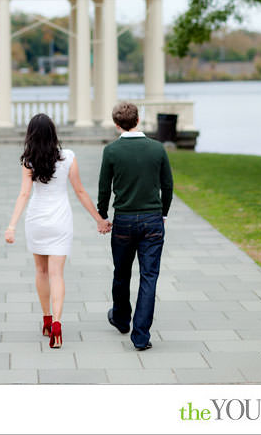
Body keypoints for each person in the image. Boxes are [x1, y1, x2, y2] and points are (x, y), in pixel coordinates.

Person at [5, 113, 111, 348]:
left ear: (30, 135)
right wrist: (99, 219)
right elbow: (80, 192)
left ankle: (46, 319)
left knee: (41, 272)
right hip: (60, 220)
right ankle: (57, 325)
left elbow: (24, 194)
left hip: (36, 221)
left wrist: (11, 225)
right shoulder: (68, 157)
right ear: (53, 133)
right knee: (57, 275)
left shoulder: (28, 161)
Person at [98, 101, 173, 351]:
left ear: (117, 124)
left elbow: (104, 188)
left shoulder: (111, 151)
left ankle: (121, 318)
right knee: (149, 276)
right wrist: (163, 213)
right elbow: (168, 185)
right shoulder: (157, 149)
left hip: (124, 220)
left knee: (121, 272)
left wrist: (102, 214)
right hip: (152, 219)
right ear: (138, 120)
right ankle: (141, 335)